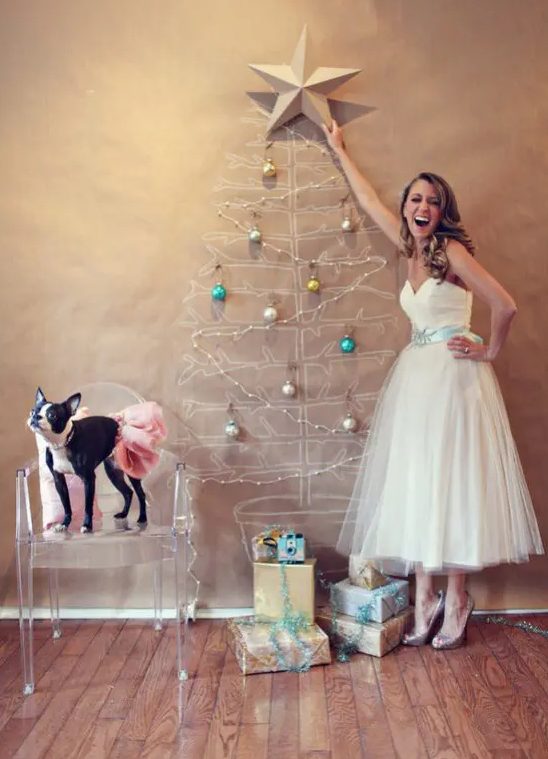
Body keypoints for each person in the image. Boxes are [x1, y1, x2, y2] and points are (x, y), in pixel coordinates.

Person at [323, 119, 544, 649]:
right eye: (416, 200)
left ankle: (458, 597)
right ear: (407, 208)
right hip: (417, 378)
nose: (424, 208)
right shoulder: (408, 248)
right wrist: (338, 148)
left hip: (453, 377)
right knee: (420, 480)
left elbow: (505, 304)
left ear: (443, 213)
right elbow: (370, 198)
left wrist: (488, 349)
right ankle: (425, 596)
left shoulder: (451, 252)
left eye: (434, 202)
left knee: (453, 481)